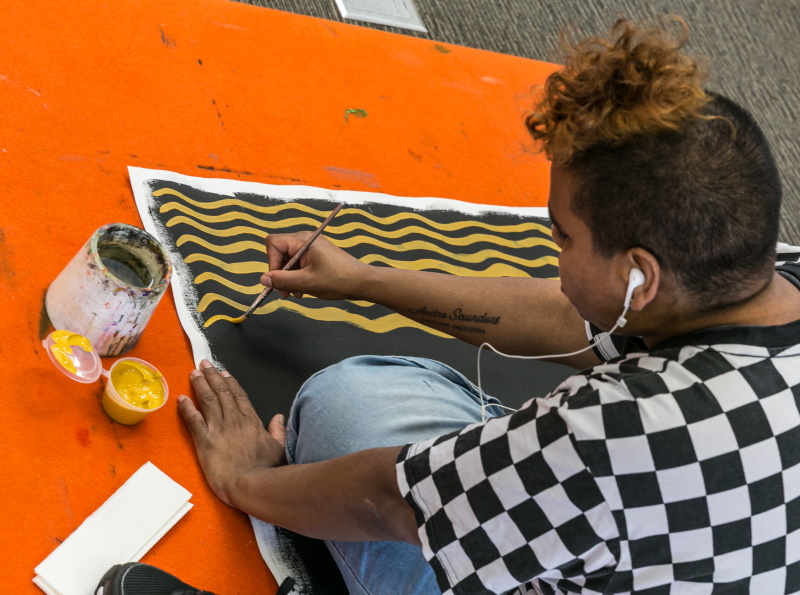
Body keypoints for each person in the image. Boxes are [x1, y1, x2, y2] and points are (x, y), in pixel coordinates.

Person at [177, 17, 800, 594]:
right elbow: (572, 323)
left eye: (562, 234)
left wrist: (246, 482)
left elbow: (391, 500)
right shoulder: (762, 289)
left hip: (608, 500)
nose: (552, 251)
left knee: (345, 403)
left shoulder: (616, 431)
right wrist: (363, 280)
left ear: (639, 277)